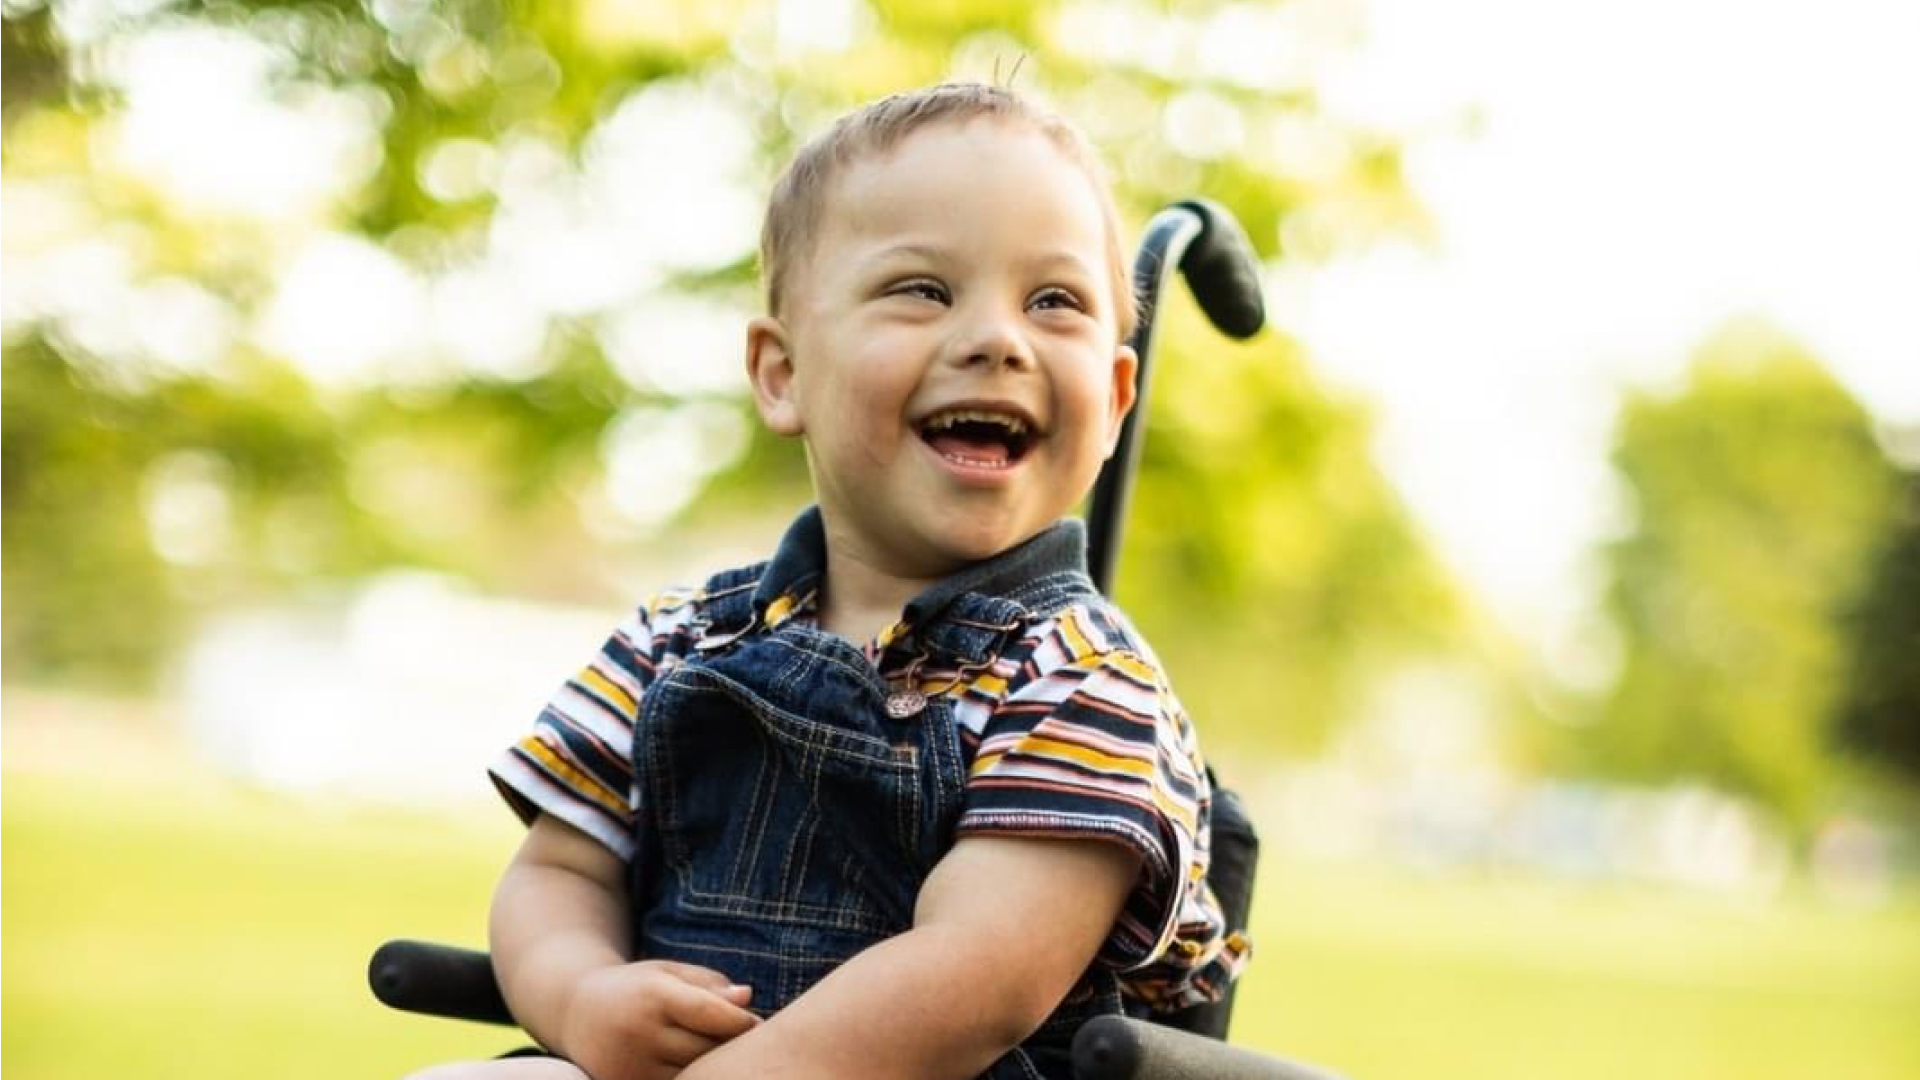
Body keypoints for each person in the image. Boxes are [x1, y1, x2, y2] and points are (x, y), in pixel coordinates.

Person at [405, 82, 1247, 1080]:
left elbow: (979, 975)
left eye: (1052, 302)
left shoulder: (1084, 684)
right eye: (923, 290)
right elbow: (557, 872)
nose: (997, 339)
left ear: (1112, 399)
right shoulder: (679, 640)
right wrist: (580, 995)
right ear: (783, 373)